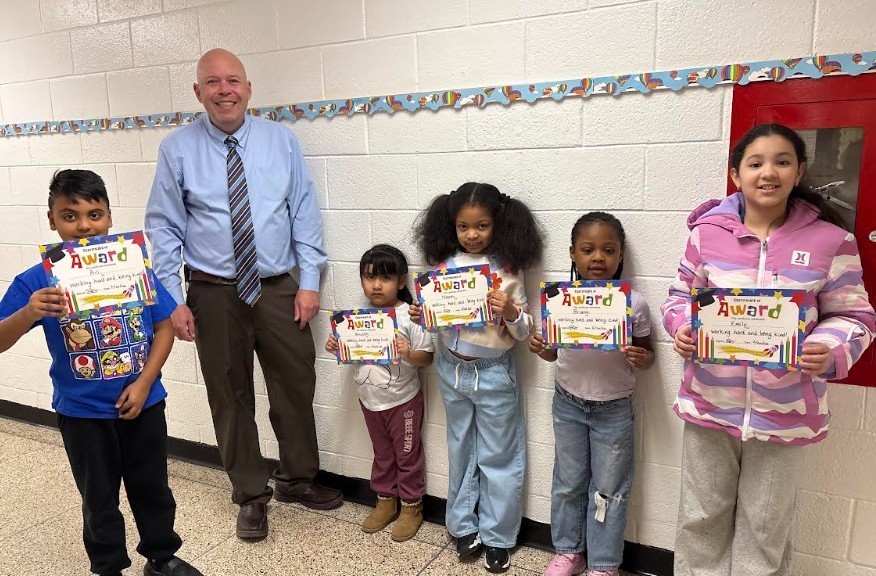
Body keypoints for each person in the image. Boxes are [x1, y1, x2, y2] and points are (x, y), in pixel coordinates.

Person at [145, 48, 341, 541]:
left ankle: (297, 478)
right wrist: (174, 302)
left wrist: (310, 283)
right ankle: (251, 494)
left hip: (278, 288)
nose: (224, 89)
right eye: (212, 82)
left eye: (233, 80)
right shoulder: (177, 149)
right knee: (229, 395)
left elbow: (304, 213)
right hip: (212, 293)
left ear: (249, 88)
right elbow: (164, 229)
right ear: (198, 92)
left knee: (295, 385)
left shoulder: (281, 141)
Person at [662, 123, 876, 575]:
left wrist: (825, 347)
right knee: (702, 519)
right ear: (736, 174)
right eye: (755, 163)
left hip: (787, 411)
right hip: (709, 404)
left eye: (781, 162)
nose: (768, 172)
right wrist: (681, 327)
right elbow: (679, 298)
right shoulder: (706, 235)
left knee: (766, 528)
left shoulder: (831, 241)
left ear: (799, 171)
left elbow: (856, 316)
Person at [0, 170, 203, 576]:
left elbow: (164, 326)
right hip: (82, 411)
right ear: (52, 220)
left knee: (153, 488)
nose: (84, 225)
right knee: (98, 497)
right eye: (69, 216)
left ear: (109, 216)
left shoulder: (132, 267)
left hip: (144, 402)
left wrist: (145, 381)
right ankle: (107, 566)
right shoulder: (37, 280)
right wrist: (29, 312)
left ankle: (161, 558)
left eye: (94, 214)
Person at [410, 182, 543, 573]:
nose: (472, 235)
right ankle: (463, 526)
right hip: (452, 368)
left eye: (481, 225)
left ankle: (499, 535)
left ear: (498, 224)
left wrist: (512, 313)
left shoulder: (508, 271)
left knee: (499, 455)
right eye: (463, 227)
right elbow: (440, 325)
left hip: (494, 371)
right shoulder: (442, 269)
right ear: (451, 227)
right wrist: (423, 317)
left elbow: (525, 331)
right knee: (460, 447)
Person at [529, 212, 654, 576]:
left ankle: (603, 563)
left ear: (620, 255)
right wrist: (541, 347)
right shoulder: (557, 300)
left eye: (608, 250)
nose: (597, 257)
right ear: (573, 254)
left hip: (614, 409)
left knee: (609, 488)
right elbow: (553, 352)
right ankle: (569, 551)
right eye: (588, 250)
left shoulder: (635, 304)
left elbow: (646, 359)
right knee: (567, 482)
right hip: (567, 402)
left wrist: (641, 356)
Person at [325, 245, 434, 541]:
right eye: (369, 277)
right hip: (370, 402)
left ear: (401, 281)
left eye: (385, 278)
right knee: (383, 455)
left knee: (408, 456)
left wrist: (408, 353)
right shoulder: (356, 318)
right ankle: (386, 501)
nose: (375, 285)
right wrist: (336, 346)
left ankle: (412, 506)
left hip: (403, 402)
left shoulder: (409, 315)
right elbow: (351, 352)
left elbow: (427, 357)